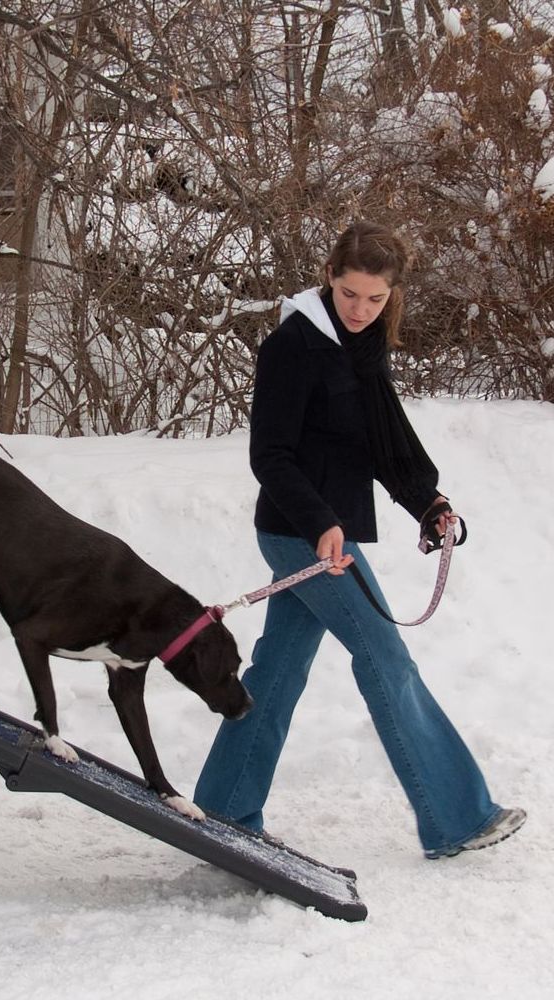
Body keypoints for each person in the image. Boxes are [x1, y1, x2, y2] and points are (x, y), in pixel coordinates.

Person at [193, 220, 525, 859]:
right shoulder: (293, 346)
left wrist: (427, 501)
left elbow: (383, 438)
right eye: (350, 295)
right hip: (301, 536)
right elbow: (272, 454)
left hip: (326, 542)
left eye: (375, 299)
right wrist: (320, 522)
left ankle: (225, 807)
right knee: (386, 659)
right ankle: (457, 817)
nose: (361, 310)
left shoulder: (363, 347)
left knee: (280, 672)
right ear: (329, 277)